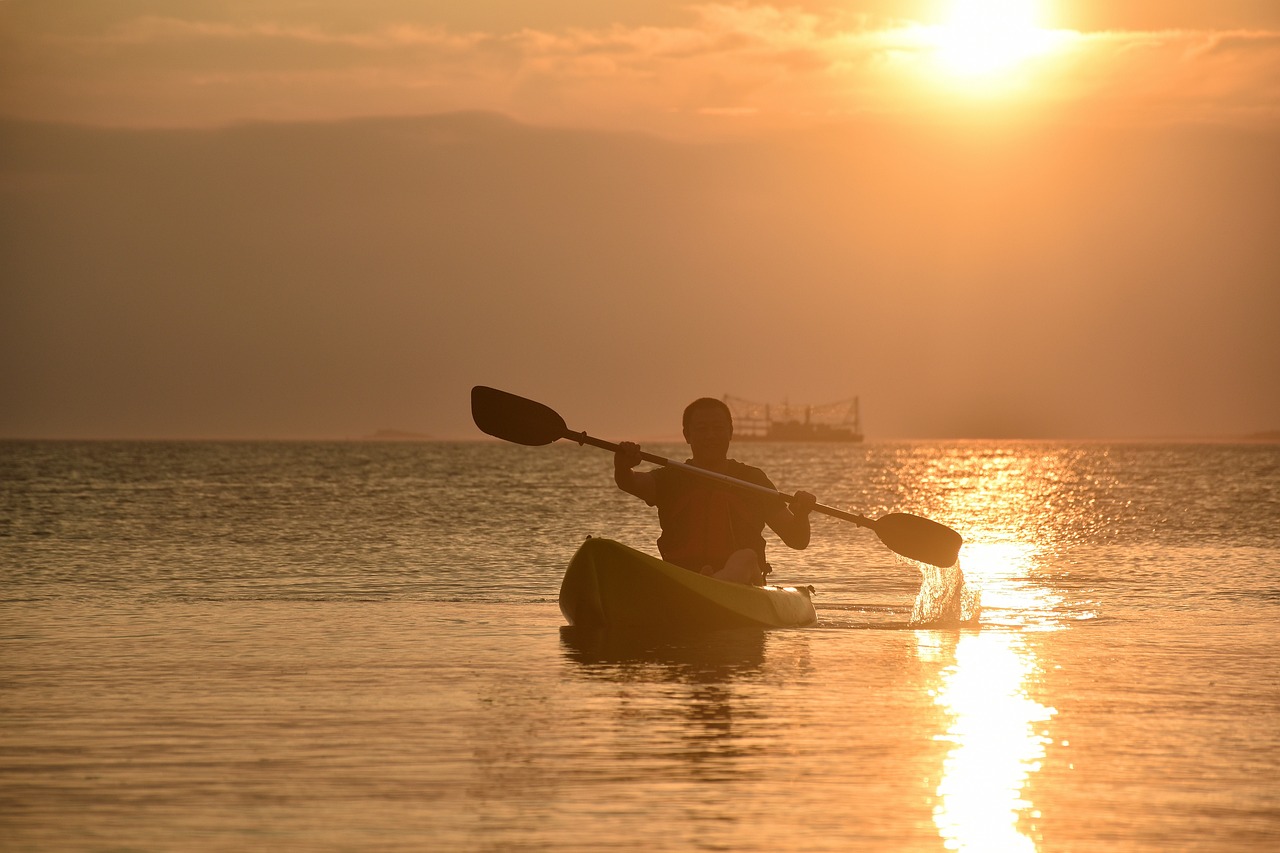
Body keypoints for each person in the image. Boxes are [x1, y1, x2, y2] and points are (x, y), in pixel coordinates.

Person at [614, 397, 817, 585]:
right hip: (683, 579)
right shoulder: (670, 478)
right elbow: (630, 482)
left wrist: (801, 515)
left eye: (717, 428)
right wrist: (623, 466)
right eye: (702, 429)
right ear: (687, 435)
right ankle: (704, 583)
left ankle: (714, 581)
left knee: (746, 557)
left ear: (730, 432)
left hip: (744, 583)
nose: (710, 435)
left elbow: (796, 539)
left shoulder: (753, 480)